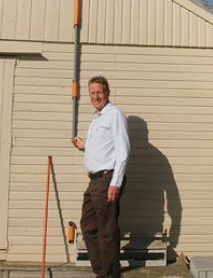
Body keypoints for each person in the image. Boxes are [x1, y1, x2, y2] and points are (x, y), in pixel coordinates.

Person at [72, 76, 131, 278]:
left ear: (107, 92)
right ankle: (103, 271)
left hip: (107, 178)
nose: (96, 96)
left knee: (106, 230)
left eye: (99, 92)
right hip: (95, 181)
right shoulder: (97, 117)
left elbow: (123, 150)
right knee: (88, 226)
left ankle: (109, 274)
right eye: (92, 93)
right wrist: (84, 146)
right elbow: (104, 148)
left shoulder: (114, 114)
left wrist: (116, 182)